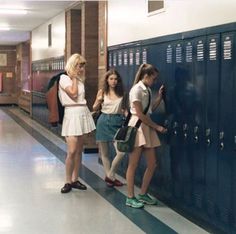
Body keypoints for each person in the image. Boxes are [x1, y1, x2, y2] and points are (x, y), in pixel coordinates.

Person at [125, 63, 167, 208]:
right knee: (133, 165)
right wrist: (157, 127)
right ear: (146, 76)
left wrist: (160, 97)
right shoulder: (136, 90)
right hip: (138, 127)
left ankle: (142, 193)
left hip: (146, 127)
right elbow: (140, 114)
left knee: (152, 164)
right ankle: (130, 197)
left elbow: (149, 110)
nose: (155, 81)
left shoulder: (147, 89)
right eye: (153, 79)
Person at [59, 53, 96, 193]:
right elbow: (73, 94)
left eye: (82, 66)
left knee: (79, 150)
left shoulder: (80, 81)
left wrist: (77, 78)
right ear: (72, 65)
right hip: (71, 113)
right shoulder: (64, 78)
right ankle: (67, 181)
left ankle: (75, 179)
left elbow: (80, 97)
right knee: (72, 151)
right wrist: (74, 77)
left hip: (82, 113)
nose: (81, 68)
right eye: (79, 65)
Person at [93, 69, 127, 187]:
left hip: (117, 121)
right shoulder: (102, 92)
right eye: (111, 79)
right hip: (103, 121)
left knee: (121, 152)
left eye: (115, 79)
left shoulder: (122, 93)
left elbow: (125, 109)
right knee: (105, 153)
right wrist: (98, 100)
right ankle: (111, 178)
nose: (113, 81)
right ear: (107, 80)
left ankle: (110, 175)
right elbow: (95, 107)